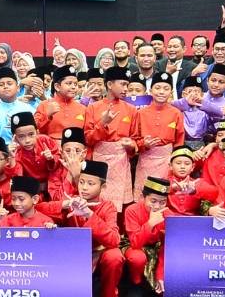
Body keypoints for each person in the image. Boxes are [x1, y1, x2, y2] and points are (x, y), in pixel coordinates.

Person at [45, 160, 124, 297]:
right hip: (72, 255)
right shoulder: (71, 200)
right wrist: (63, 205)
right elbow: (38, 209)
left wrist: (89, 214)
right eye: (81, 182)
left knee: (115, 257)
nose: (84, 187)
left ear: (103, 187)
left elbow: (114, 239)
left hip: (97, 253)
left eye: (91, 183)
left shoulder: (107, 206)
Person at [84, 66, 138, 212]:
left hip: (121, 160)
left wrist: (131, 145)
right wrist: (103, 123)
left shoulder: (131, 109)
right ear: (109, 84)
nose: (126, 89)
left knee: (121, 203)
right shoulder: (93, 108)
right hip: (99, 159)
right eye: (123, 84)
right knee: (99, 200)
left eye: (127, 85)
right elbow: (88, 139)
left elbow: (135, 139)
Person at [123, 176, 170, 297]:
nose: (157, 206)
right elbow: (135, 243)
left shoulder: (168, 214)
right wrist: (150, 223)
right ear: (143, 197)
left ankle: (153, 283)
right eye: (153, 201)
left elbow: (168, 246)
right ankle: (135, 285)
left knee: (163, 295)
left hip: (157, 248)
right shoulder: (131, 210)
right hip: (135, 245)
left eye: (162, 202)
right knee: (137, 258)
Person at [134, 73, 184, 195]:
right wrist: (143, 144)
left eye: (166, 88)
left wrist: (175, 161)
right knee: (144, 196)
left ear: (171, 92)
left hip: (166, 162)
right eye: (158, 88)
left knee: (163, 195)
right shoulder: (141, 113)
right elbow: (134, 139)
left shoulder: (176, 113)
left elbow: (179, 140)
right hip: (145, 159)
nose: (161, 92)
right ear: (150, 91)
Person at [35, 66, 86, 142]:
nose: (73, 87)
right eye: (69, 83)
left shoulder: (82, 108)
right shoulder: (44, 105)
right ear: (57, 86)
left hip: (75, 149)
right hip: (50, 149)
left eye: (75, 84)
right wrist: (47, 115)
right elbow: (35, 130)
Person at [10, 112, 58, 189]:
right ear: (15, 138)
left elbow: (59, 157)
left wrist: (51, 159)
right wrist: (12, 158)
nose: (27, 140)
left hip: (54, 185)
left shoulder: (45, 140)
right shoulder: (16, 154)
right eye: (21, 136)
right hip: (32, 189)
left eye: (31, 134)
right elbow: (17, 178)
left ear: (37, 132)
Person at [166, 146, 217, 215]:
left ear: (192, 167)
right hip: (168, 221)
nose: (182, 167)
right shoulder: (165, 182)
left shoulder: (198, 183)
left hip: (193, 222)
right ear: (170, 166)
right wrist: (172, 188)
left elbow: (215, 193)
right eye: (178, 163)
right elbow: (152, 192)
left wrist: (194, 190)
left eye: (187, 164)